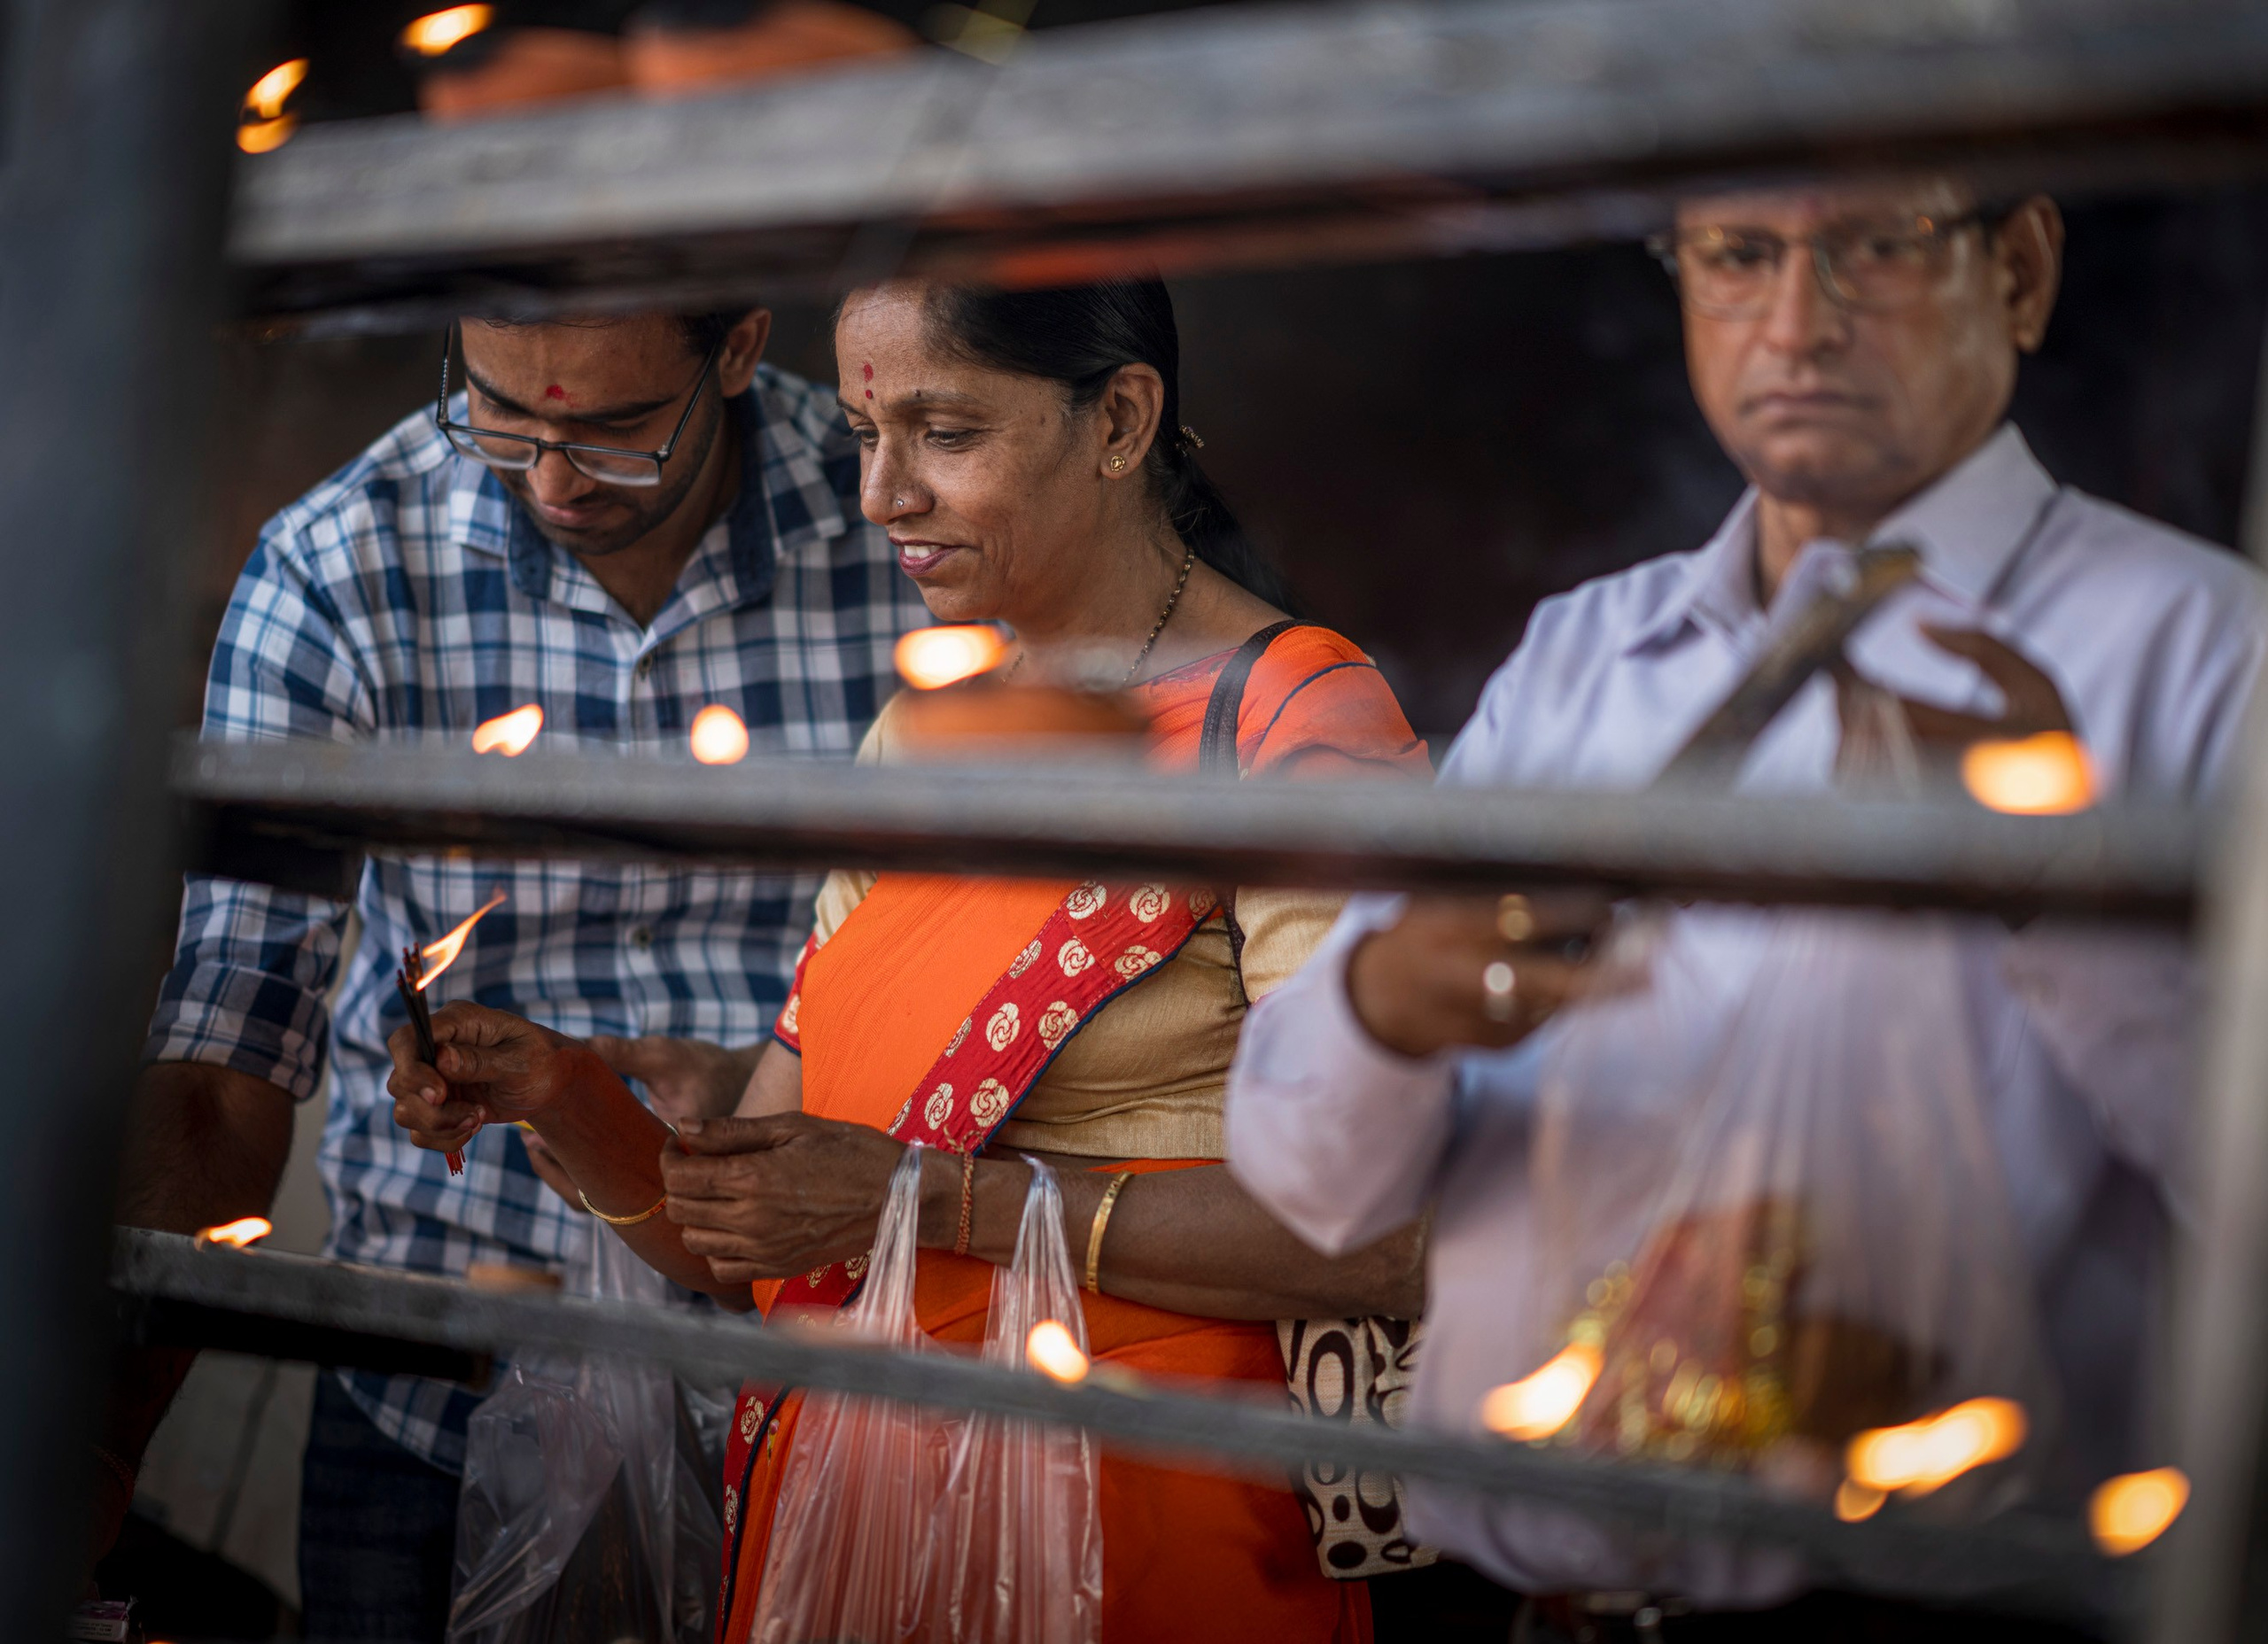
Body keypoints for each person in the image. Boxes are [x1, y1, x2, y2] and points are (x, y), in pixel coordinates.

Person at [1224, 176, 2266, 1640]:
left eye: (1880, 246)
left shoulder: (2202, 652)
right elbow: (1311, 1180)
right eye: (1739, 256)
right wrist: (1387, 1000)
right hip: (1534, 1602)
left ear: (2020, 272)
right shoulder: (1585, 655)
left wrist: (2061, 898)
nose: (1797, 323)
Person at [385, 276, 1435, 1643]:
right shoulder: (920, 742)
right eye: (869, 436)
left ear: (1120, 420)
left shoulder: (1298, 727)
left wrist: (929, 1204)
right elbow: (755, 1249)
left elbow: (1384, 1236)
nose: (883, 494)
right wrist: (568, 1100)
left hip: (1158, 1522)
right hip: (861, 1518)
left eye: (945, 434)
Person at [113, 304, 931, 1640]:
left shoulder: (900, 522)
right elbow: (226, 1049)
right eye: (498, 411)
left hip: (826, 1393)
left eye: (612, 430)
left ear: (736, 352)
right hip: (438, 1393)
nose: (549, 477)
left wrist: (776, 1084)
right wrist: (92, 1456)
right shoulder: (342, 563)